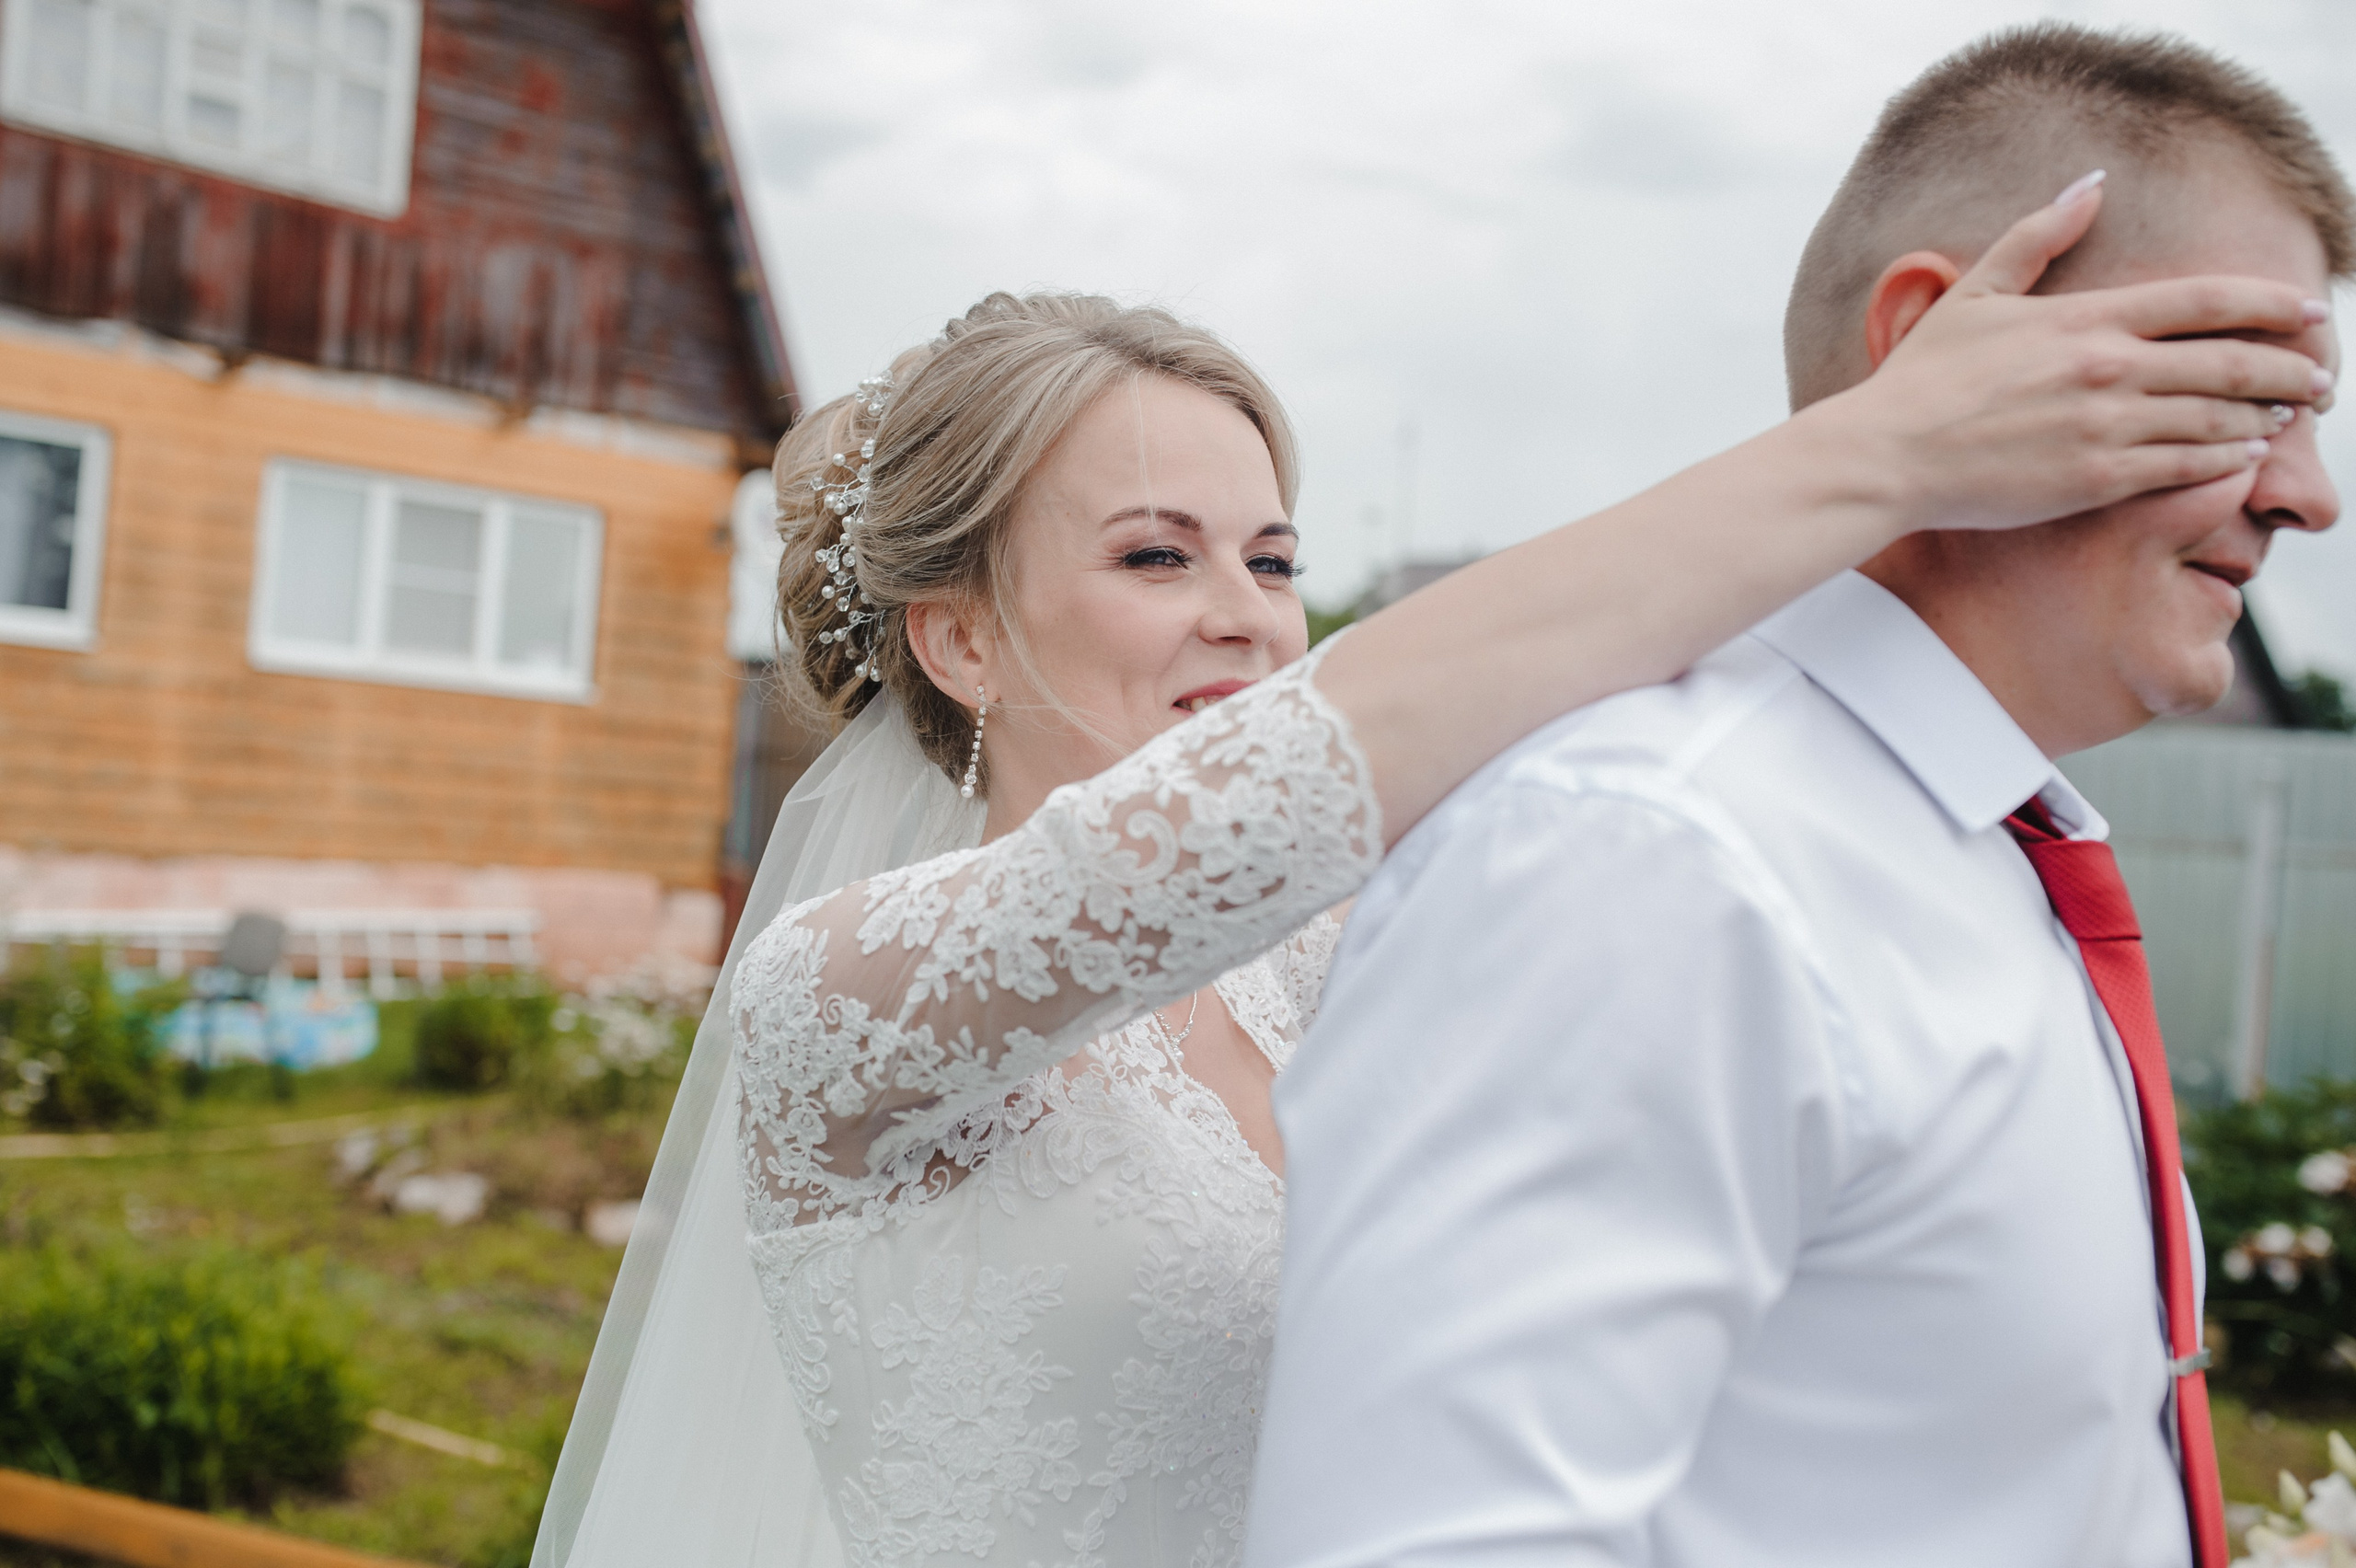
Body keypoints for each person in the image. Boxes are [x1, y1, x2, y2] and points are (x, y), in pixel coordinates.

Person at [533, 179, 2327, 1564]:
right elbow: (1331, 754)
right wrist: (1880, 447)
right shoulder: (843, 1011)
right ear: (957, 642)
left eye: (1270, 554)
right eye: (1155, 556)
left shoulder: (1332, 965)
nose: (1241, 613)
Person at [1242, 24, 2346, 1568]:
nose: (2309, 495)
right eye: (2246, 393)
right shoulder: (1653, 865)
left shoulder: (1993, 852)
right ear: (1939, 341)